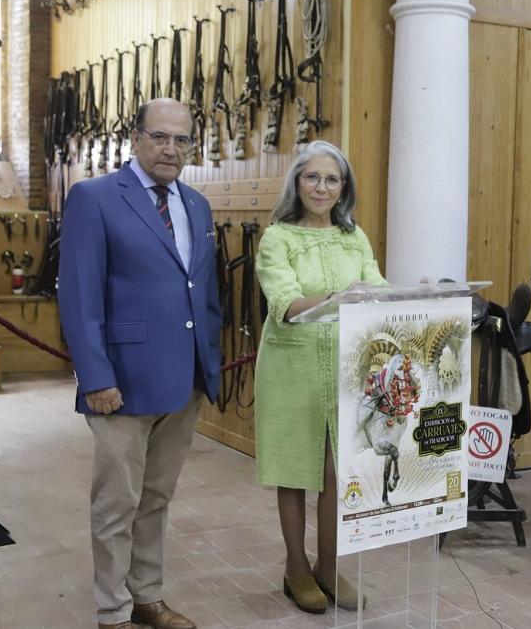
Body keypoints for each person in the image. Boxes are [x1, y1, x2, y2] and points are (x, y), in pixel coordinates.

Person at [59, 98, 221, 629]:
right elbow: (80, 297)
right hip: (121, 383)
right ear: (135, 138)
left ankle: (147, 596)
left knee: (156, 499)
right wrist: (96, 377)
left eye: (182, 140)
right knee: (116, 506)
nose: (171, 149)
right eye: (160, 137)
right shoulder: (95, 198)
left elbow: (205, 293)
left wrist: (209, 366)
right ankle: (113, 612)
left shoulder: (196, 205)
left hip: (183, 381)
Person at [253, 140, 385, 613]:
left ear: (342, 187)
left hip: (346, 369)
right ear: (297, 182)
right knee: (295, 470)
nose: (321, 187)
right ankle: (295, 567)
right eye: (312, 177)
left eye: (331, 179)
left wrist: (414, 295)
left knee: (335, 471)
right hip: (292, 367)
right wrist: (342, 296)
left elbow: (378, 289)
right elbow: (284, 303)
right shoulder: (278, 237)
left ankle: (328, 566)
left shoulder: (355, 237)